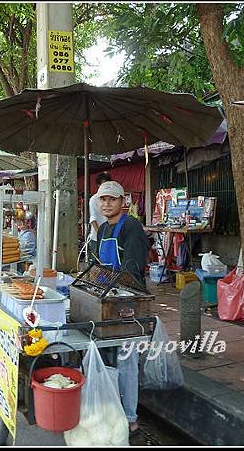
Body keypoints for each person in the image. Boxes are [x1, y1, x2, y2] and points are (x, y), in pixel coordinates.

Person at [95, 180, 150, 435]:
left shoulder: (131, 226)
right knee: (107, 356)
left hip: (128, 302)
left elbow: (133, 266)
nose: (107, 204)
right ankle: (111, 406)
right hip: (107, 299)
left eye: (112, 199)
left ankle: (130, 417)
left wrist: (113, 289)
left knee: (126, 359)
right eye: (103, 199)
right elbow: (97, 266)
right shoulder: (102, 229)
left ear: (122, 202)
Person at [88, 172, 112, 263]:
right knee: (96, 264)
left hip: (109, 237)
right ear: (98, 185)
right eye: (104, 184)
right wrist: (101, 236)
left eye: (108, 184)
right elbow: (93, 220)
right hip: (97, 238)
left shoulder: (111, 199)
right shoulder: (94, 199)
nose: (106, 187)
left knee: (108, 264)